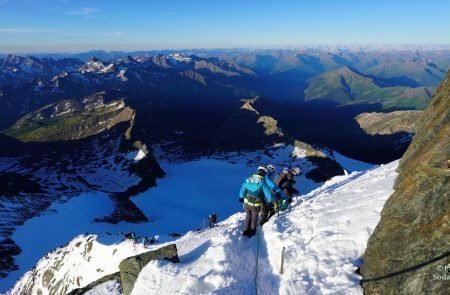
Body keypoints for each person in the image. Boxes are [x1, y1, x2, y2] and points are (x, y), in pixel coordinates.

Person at [239, 166, 281, 237]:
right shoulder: (262, 182)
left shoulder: (249, 178)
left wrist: (241, 197)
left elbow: (243, 188)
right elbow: (268, 195)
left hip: (246, 202)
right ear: (264, 173)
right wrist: (273, 200)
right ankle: (252, 231)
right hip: (255, 204)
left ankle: (246, 230)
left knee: (248, 215)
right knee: (254, 217)